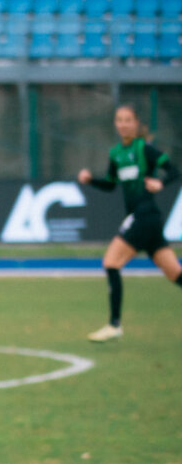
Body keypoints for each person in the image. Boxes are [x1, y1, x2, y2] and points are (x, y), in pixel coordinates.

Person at [78, 103, 182, 342]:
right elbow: (110, 184)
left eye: (128, 120)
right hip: (145, 220)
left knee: (111, 262)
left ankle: (115, 324)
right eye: (119, 120)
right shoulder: (116, 153)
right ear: (116, 124)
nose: (123, 124)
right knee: (174, 273)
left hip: (145, 215)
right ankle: (114, 325)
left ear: (136, 124)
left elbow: (174, 171)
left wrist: (161, 184)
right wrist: (90, 180)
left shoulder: (145, 149)